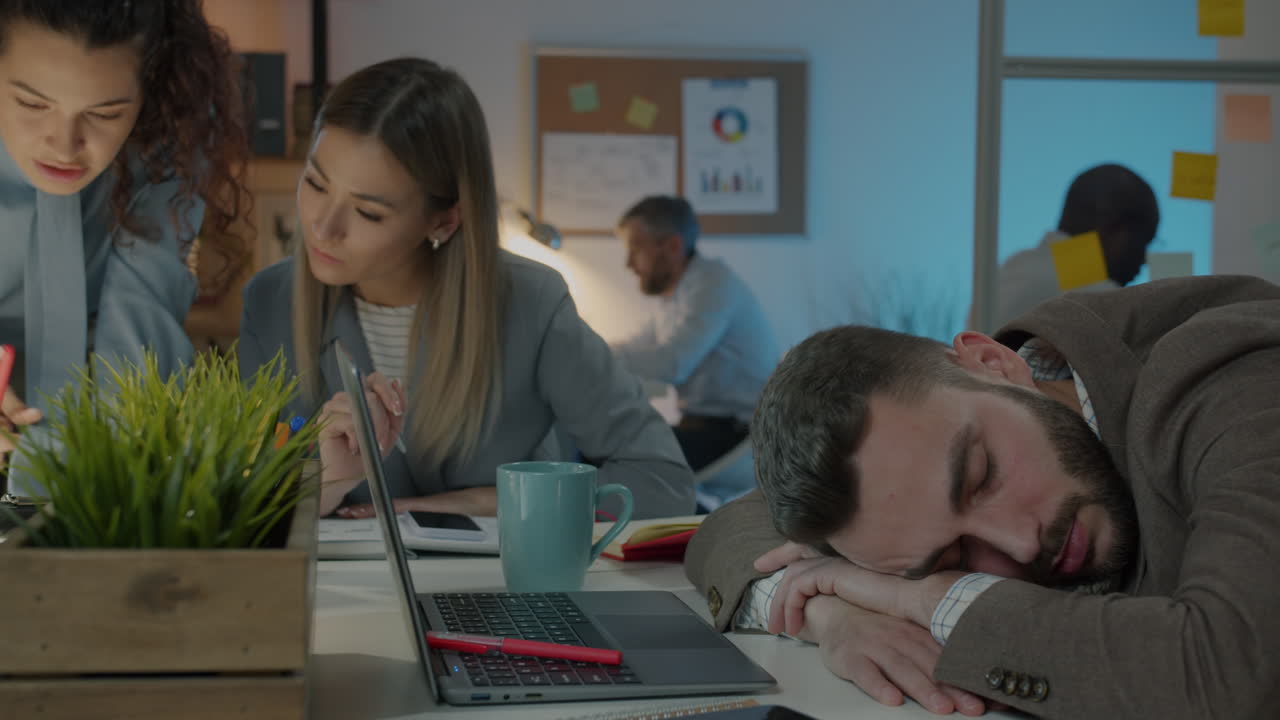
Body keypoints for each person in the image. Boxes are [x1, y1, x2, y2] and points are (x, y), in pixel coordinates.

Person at [685, 275, 1280, 719]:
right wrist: (832, 615)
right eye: (953, 557)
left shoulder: (1233, 375)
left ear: (993, 361)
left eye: (981, 475)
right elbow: (730, 526)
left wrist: (919, 596)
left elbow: (1231, 676)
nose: (1020, 545)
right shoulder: (936, 437)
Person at [238, 58, 694, 521]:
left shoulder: (531, 303)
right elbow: (245, 497)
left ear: (443, 219)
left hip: (509, 587)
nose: (322, 226)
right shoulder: (269, 302)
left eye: (368, 212)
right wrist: (325, 480)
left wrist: (478, 504)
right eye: (316, 183)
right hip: (345, 592)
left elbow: (662, 480)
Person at [0, 1, 248, 470]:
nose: (64, 143)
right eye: (32, 104)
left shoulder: (176, 126)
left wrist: (120, 482)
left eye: (105, 113)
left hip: (98, 424)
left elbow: (142, 307)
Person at [611, 196, 780, 485]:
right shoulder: (678, 295)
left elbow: (672, 364)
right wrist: (588, 349)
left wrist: (594, 356)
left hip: (738, 438)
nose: (628, 264)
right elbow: (637, 346)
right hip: (705, 427)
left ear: (673, 246)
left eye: (635, 250)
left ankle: (690, 522)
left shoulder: (714, 286)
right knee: (609, 447)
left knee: (617, 459)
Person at [972, 163, 1159, 330]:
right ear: (1112, 228)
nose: (1143, 260)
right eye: (1141, 242)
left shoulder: (1016, 267)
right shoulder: (1094, 299)